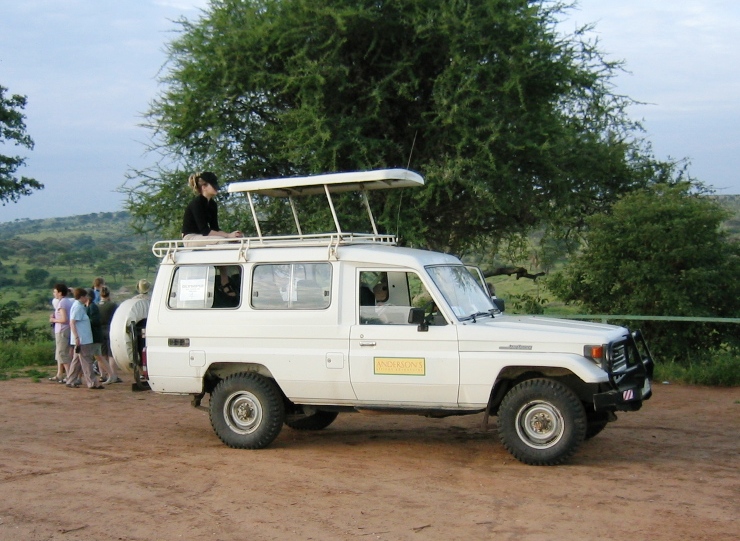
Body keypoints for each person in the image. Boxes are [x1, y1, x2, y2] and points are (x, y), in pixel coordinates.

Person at [181, 171, 242, 244]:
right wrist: (228, 235)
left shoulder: (212, 204)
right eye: (213, 185)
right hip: (190, 238)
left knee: (236, 240)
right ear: (204, 187)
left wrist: (232, 236)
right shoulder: (196, 204)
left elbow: (215, 228)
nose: (216, 188)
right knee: (221, 241)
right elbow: (205, 231)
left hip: (203, 236)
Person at [66, 288, 104, 390]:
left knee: (77, 361)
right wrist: (77, 337)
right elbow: (72, 322)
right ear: (82, 297)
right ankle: (92, 382)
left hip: (82, 339)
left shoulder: (79, 306)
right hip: (83, 339)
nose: (87, 298)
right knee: (87, 360)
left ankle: (70, 380)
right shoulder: (78, 307)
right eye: (85, 296)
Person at [98, 285, 122, 384]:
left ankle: (102, 375)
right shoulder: (113, 305)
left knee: (102, 354)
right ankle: (113, 375)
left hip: (99, 330)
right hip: (110, 329)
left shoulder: (97, 305)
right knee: (111, 354)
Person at [49, 283, 73, 382]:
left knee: (63, 353)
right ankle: (61, 375)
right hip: (64, 330)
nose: (54, 293)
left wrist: (53, 320)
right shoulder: (67, 301)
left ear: (60, 292)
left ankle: (69, 376)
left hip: (62, 330)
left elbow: (64, 319)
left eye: (55, 291)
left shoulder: (62, 303)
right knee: (61, 353)